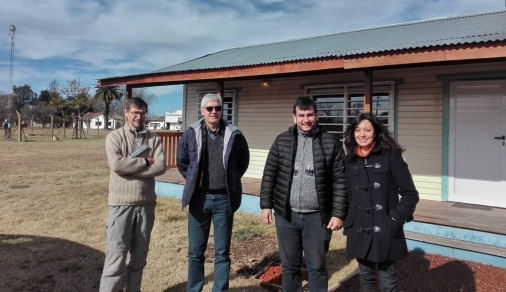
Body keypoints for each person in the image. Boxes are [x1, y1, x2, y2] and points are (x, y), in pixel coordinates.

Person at [260, 96, 347, 292]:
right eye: (301, 115)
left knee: (316, 267)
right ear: (294, 117)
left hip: (318, 217)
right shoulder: (282, 140)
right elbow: (269, 174)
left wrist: (338, 213)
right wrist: (266, 205)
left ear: (316, 116)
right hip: (286, 215)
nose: (305, 119)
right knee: (289, 266)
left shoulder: (330, 142)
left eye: (309, 115)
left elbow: (341, 180)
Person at [176, 93, 250, 292]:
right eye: (209, 108)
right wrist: (194, 181)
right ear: (202, 111)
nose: (214, 111)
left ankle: (220, 289)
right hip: (198, 198)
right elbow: (182, 163)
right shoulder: (191, 134)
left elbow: (243, 162)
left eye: (218, 108)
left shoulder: (234, 134)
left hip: (223, 199)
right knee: (195, 251)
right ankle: (194, 288)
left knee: (222, 252)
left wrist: (230, 180)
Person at [342, 113, 419, 292]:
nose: (362, 134)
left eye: (367, 130)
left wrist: (394, 220)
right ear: (352, 134)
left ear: (376, 132)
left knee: (388, 282)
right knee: (365, 278)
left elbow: (410, 194)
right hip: (359, 230)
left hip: (385, 230)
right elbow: (346, 195)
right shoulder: (349, 160)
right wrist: (348, 221)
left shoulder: (391, 156)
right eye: (358, 130)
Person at [100, 97, 167, 292]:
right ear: (126, 113)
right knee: (115, 258)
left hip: (146, 204)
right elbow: (116, 165)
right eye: (135, 112)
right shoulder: (114, 137)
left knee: (139, 258)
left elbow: (161, 166)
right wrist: (146, 163)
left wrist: (129, 168)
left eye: (143, 113)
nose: (139, 116)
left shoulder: (154, 138)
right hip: (121, 205)